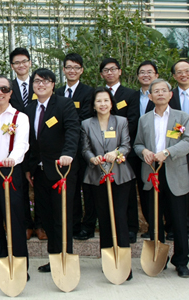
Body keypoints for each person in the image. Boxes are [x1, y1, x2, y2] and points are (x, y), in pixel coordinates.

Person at [133, 78, 189, 278]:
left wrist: (167, 152)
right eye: (155, 91)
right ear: (149, 97)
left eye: (163, 90)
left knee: (179, 221)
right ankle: (160, 258)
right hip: (152, 175)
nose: (160, 94)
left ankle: (181, 261)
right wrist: (145, 152)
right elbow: (137, 144)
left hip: (175, 174)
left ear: (170, 94)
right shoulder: (144, 120)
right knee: (154, 220)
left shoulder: (182, 117)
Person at [24, 68, 80, 273]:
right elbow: (30, 142)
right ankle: (54, 258)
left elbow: (73, 131)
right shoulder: (29, 109)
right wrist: (29, 168)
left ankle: (66, 259)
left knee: (62, 217)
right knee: (46, 218)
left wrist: (67, 154)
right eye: (37, 81)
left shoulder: (64, 105)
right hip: (39, 173)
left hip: (61, 171)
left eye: (46, 81)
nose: (41, 84)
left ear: (53, 84)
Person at [80, 87, 135, 281]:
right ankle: (108, 260)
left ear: (111, 103)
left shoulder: (121, 121)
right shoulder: (86, 124)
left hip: (119, 174)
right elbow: (85, 148)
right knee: (103, 218)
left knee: (119, 216)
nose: (103, 104)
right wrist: (92, 158)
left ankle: (124, 262)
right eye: (99, 101)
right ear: (93, 105)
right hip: (97, 175)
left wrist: (117, 153)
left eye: (106, 100)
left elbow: (127, 145)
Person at [0, 75, 30, 276]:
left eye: (4, 89)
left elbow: (22, 144)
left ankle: (19, 265)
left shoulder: (20, 117)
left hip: (10, 171)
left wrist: (12, 158)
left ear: (11, 92)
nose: (0, 93)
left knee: (15, 220)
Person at [55, 53, 95, 242]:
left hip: (84, 148)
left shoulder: (88, 92)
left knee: (86, 189)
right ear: (63, 70)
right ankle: (71, 225)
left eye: (76, 68)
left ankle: (86, 226)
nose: (72, 71)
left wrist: (69, 126)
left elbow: (85, 118)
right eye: (68, 67)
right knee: (69, 189)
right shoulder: (58, 92)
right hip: (63, 150)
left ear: (81, 71)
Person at [99, 57, 139, 243]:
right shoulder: (98, 95)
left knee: (126, 195)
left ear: (120, 71)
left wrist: (119, 148)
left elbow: (132, 122)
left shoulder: (130, 94)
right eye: (106, 70)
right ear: (101, 74)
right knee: (105, 201)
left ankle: (130, 228)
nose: (110, 73)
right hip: (101, 158)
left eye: (113, 69)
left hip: (123, 153)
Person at [8, 47, 42, 241]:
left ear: (30, 63)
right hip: (16, 145)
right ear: (12, 66)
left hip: (38, 144)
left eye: (24, 61)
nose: (21, 65)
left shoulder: (39, 84)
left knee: (41, 187)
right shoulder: (8, 87)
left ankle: (40, 224)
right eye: (17, 63)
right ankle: (25, 224)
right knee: (19, 188)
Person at [167, 59, 189, 240]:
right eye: (179, 72)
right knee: (177, 188)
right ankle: (181, 226)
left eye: (186, 70)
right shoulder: (169, 96)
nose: (183, 75)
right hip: (175, 149)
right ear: (174, 76)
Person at [130, 61, 160, 239]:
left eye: (150, 72)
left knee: (156, 190)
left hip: (158, 150)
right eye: (142, 72)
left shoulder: (162, 96)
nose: (146, 75)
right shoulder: (131, 97)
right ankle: (139, 227)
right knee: (139, 189)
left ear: (156, 75)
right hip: (135, 150)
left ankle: (160, 227)